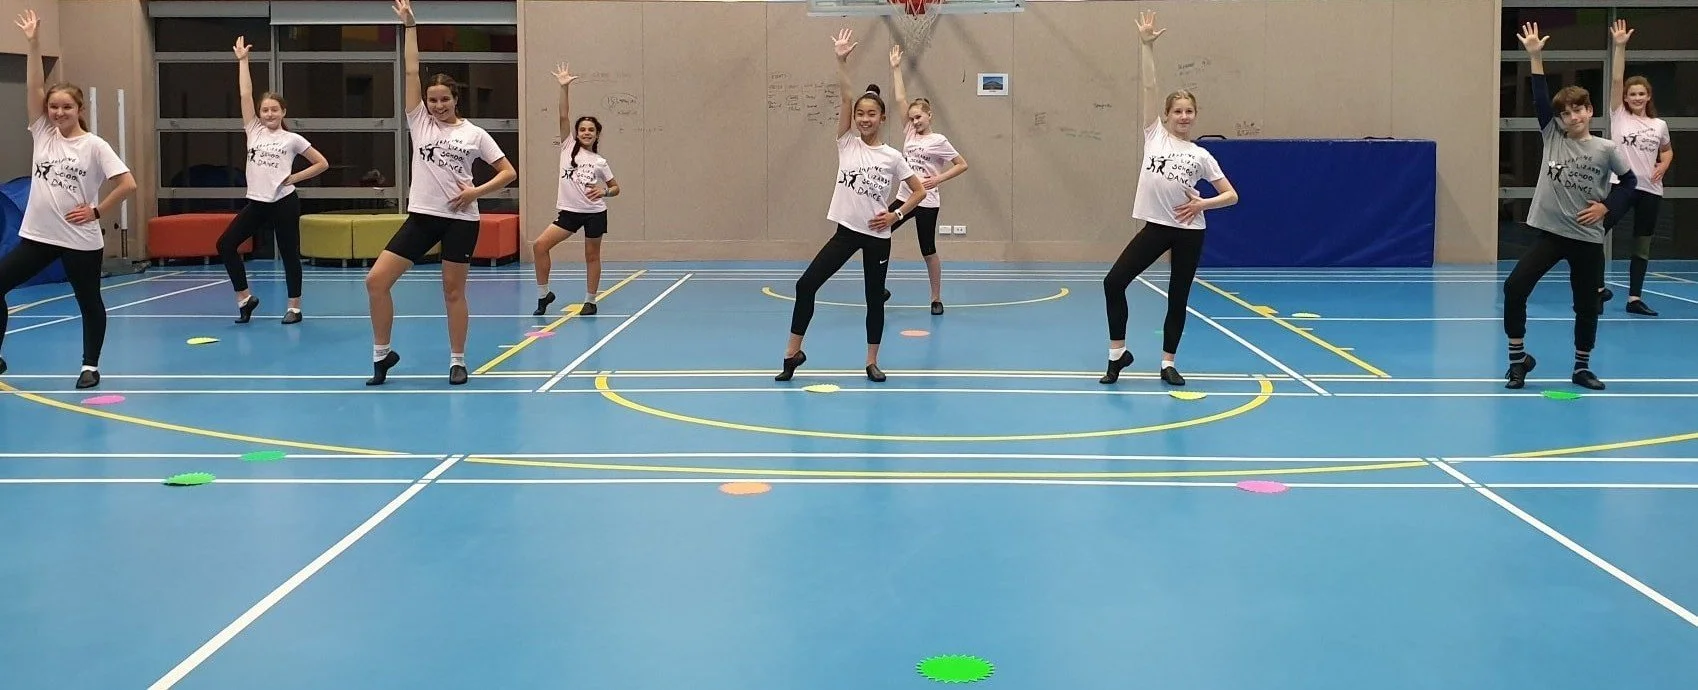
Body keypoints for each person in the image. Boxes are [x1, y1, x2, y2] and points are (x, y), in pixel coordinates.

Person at [365, 0, 516, 386]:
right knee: (376, 281)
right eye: (432, 100)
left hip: (461, 222)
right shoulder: (420, 122)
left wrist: (475, 192)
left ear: (455, 99)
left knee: (452, 292)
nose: (437, 105)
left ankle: (457, 360)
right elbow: (412, 69)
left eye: (444, 99)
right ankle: (382, 354)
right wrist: (410, 26)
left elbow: (507, 173)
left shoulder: (475, 134)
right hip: (423, 216)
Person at [775, 29, 926, 384]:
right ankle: (792, 352)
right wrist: (841, 61)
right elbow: (845, 97)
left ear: (882, 118)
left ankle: (871, 361)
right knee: (805, 285)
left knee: (874, 299)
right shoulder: (847, 144)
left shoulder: (892, 156)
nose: (864, 118)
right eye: (860, 113)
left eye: (871, 114)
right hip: (845, 233)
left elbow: (918, 191)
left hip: (877, 236)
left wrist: (896, 213)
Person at [0, 9, 138, 390]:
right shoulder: (43, 134)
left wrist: (97, 210)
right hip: (39, 237)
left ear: (80, 110)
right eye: (53, 107)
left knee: (88, 301)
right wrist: (33, 45)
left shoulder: (93, 145)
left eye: (66, 107)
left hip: (79, 239)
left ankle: (90, 365)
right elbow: (32, 88)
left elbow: (127, 184)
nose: (58, 112)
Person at [1100, 11, 1237, 388]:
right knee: (1114, 283)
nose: (1183, 116)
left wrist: (1202, 204)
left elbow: (1231, 195)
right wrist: (1146, 46)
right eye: (1177, 111)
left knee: (1177, 298)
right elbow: (1149, 86)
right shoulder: (1155, 136)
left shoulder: (1202, 155)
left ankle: (1167, 363)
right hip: (1157, 228)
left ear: (1195, 116)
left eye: (1189, 111)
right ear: (1166, 115)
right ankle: (1117, 355)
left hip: (1189, 231)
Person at [1502, 22, 1638, 391]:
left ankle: (1581, 367)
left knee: (1586, 306)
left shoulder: (1606, 149)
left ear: (1590, 111)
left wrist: (1606, 209)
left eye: (1580, 110)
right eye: (1567, 113)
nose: (1574, 117)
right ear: (1560, 119)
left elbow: (1630, 184)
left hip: (1587, 239)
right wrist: (1535, 56)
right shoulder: (1552, 137)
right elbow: (1539, 97)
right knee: (1515, 288)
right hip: (1551, 235)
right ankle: (1518, 360)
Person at [220, 35, 329, 325]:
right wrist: (243, 62)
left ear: (283, 113)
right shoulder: (253, 131)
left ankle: (294, 307)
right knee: (226, 244)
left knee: (290, 255)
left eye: (274, 110)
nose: (269, 113)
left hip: (283, 201)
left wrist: (293, 177)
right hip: (257, 203)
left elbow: (322, 163)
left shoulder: (292, 139)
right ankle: (245, 298)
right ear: (259, 113)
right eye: (265, 109)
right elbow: (245, 95)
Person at [532, 62, 620, 317]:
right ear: (576, 133)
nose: (586, 133)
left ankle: (590, 301)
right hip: (569, 213)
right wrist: (563, 87)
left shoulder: (600, 162)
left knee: (591, 256)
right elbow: (563, 115)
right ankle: (543, 294)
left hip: (594, 213)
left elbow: (616, 188)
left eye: (591, 130)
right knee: (540, 246)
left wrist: (604, 192)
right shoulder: (567, 146)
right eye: (582, 129)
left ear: (597, 134)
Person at [887, 44, 969, 315]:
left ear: (929, 115)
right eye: (912, 118)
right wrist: (896, 68)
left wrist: (938, 179)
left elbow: (962, 164)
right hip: (904, 196)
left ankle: (936, 297)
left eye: (919, 116)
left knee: (928, 249)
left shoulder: (939, 141)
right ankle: (878, 288)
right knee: (877, 231)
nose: (915, 121)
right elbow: (901, 99)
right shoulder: (909, 133)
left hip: (927, 200)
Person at [1600, 19, 1672, 317]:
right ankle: (1594, 288)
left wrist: (1663, 166)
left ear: (1649, 96)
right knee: (1596, 231)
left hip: (1651, 191)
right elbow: (1617, 80)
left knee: (1642, 245)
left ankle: (1634, 299)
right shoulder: (1619, 117)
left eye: (1642, 94)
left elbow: (1667, 151)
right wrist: (1619, 46)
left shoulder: (1659, 125)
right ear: (1626, 98)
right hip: (1622, 186)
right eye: (1632, 94)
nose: (1637, 98)